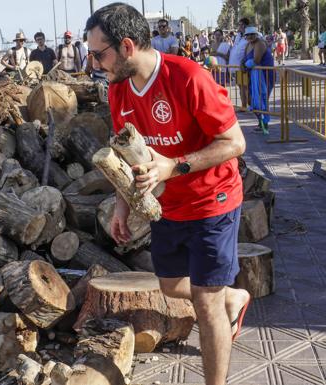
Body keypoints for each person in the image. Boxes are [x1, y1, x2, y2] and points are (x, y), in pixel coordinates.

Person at [85, 4, 249, 385]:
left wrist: (172, 166)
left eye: (99, 53)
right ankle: (233, 298)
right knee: (172, 286)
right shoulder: (118, 90)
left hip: (214, 201)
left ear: (126, 46)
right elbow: (127, 156)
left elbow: (235, 142)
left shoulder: (188, 77)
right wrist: (121, 207)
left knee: (206, 305)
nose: (94, 63)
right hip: (167, 208)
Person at [243, 26, 275, 134]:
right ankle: (261, 122)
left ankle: (265, 124)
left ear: (256, 34)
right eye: (248, 35)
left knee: (263, 98)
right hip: (253, 75)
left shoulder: (260, 43)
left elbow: (256, 60)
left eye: (252, 34)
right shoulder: (248, 45)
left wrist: (245, 65)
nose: (250, 36)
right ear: (245, 36)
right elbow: (245, 59)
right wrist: (242, 65)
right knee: (252, 99)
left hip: (264, 75)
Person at [229, 18, 250, 109]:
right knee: (240, 87)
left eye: (241, 24)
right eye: (239, 24)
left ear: (245, 25)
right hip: (235, 66)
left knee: (246, 86)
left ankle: (251, 105)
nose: (239, 26)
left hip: (243, 67)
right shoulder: (238, 35)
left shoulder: (249, 36)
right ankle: (244, 106)